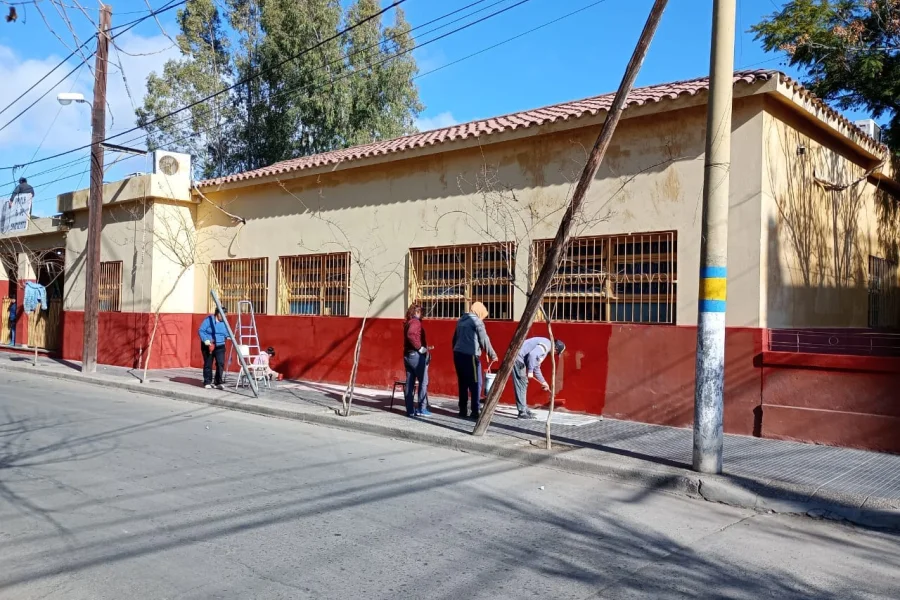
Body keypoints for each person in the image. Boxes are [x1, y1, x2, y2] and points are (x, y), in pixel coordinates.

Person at [452, 301, 497, 420]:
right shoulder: (477, 322)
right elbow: (484, 339)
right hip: (470, 356)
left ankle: (462, 410)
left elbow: (454, 339)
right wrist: (492, 354)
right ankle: (475, 411)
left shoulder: (461, 320)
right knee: (476, 383)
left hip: (458, 354)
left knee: (463, 383)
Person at [512, 337, 566, 420]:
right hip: (517, 358)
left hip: (519, 358)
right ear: (556, 349)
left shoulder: (545, 346)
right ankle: (522, 412)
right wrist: (530, 371)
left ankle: (524, 409)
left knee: (523, 384)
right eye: (556, 353)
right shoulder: (546, 346)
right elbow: (532, 355)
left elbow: (536, 367)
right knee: (521, 384)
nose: (554, 354)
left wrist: (543, 382)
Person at [403, 303, 430, 417]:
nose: (422, 315)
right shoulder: (415, 322)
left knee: (410, 383)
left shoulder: (408, 322)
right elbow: (411, 335)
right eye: (421, 312)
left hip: (408, 355)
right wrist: (420, 347)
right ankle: (421, 408)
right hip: (416, 356)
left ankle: (410, 410)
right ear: (417, 312)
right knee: (423, 381)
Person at [198, 308, 228, 389]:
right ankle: (207, 382)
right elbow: (201, 330)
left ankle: (218, 382)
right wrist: (205, 340)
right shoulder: (209, 320)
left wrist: (229, 336)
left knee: (220, 363)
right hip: (209, 344)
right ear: (217, 314)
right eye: (223, 315)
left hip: (220, 345)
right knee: (208, 363)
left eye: (225, 315)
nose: (224, 317)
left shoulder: (225, 322)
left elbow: (227, 332)